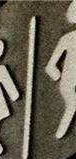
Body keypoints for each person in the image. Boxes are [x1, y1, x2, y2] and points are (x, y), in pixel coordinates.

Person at [46, 0, 76, 140]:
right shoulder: (67, 38)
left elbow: (51, 66)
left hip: (68, 79)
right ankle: (62, 131)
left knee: (72, 104)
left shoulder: (67, 38)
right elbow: (51, 65)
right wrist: (57, 75)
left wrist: (56, 74)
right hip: (69, 78)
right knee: (71, 104)